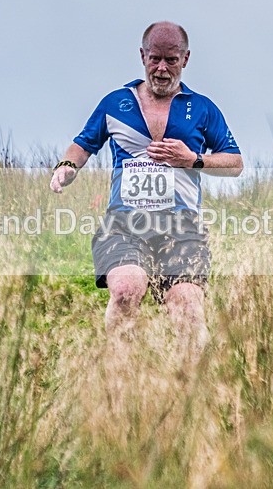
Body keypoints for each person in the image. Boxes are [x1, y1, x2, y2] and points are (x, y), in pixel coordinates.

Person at [49, 21, 243, 359]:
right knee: (126, 289)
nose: (162, 68)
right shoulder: (115, 103)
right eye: (155, 59)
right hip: (125, 224)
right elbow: (82, 145)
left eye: (171, 59)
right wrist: (66, 168)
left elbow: (236, 163)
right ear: (142, 56)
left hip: (182, 226)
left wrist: (192, 160)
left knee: (187, 310)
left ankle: (189, 388)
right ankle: (121, 376)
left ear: (186, 59)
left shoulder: (202, 108)